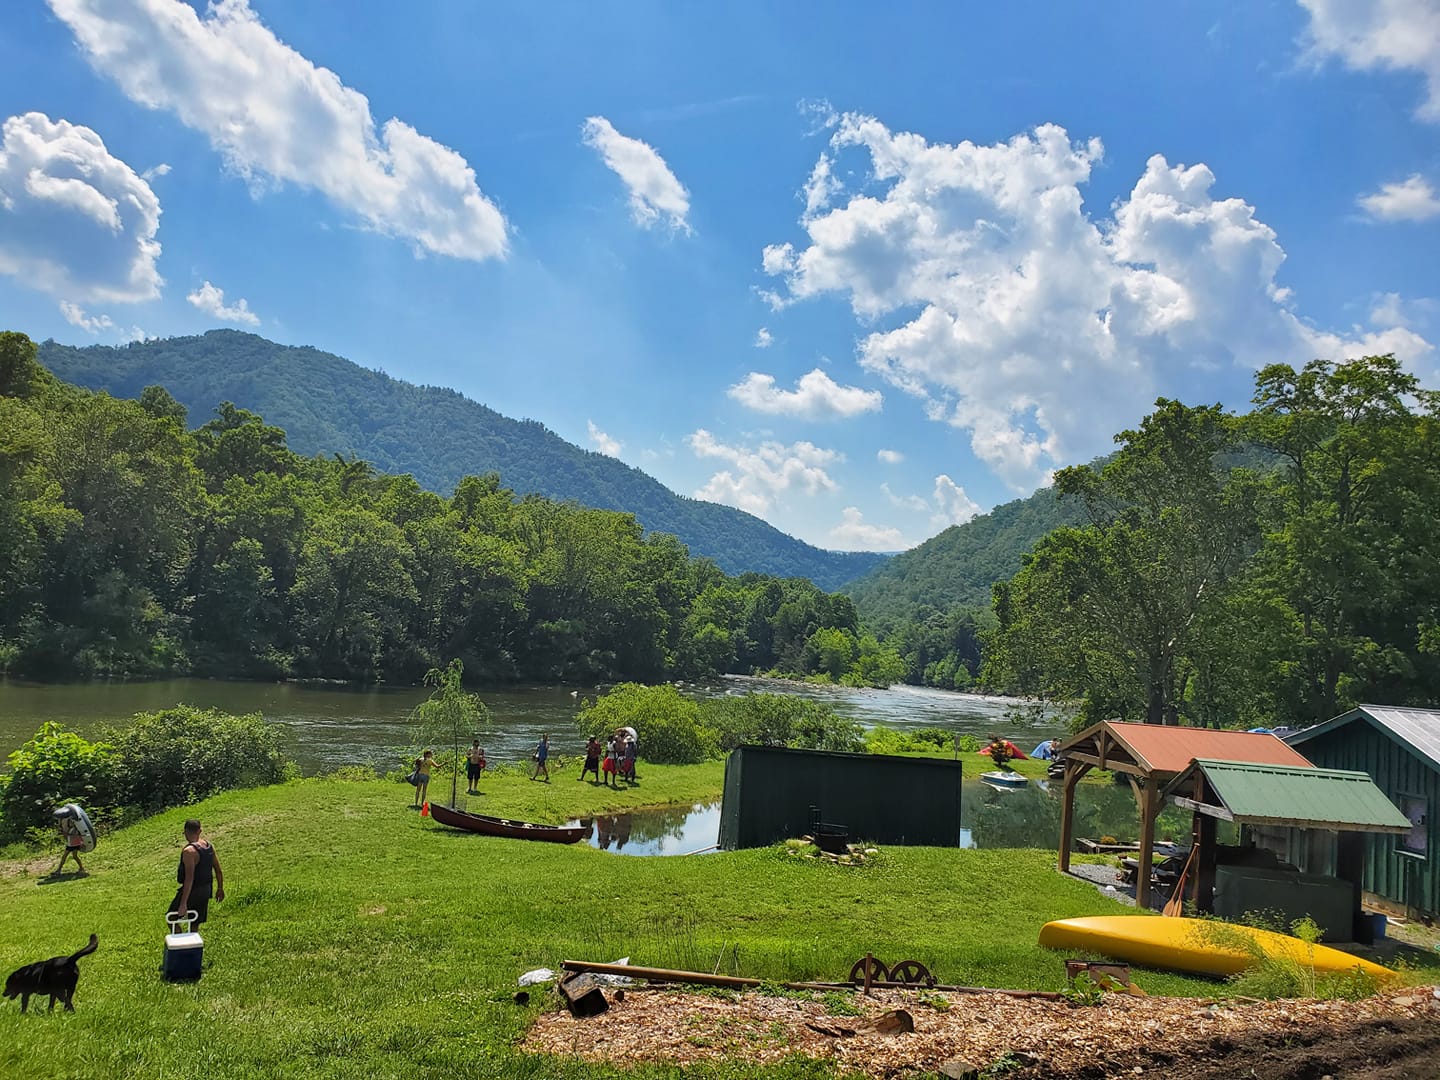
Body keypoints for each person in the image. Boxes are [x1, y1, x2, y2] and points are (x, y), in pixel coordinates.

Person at [169, 819, 224, 927]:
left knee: (171, 918)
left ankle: (179, 938)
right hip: (206, 890)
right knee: (195, 922)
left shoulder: (189, 852)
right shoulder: (208, 846)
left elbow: (189, 879)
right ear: (200, 831)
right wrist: (220, 888)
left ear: (185, 832)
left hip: (193, 891)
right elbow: (218, 870)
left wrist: (183, 903)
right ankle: (193, 938)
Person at [52, 811, 86, 877]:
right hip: (72, 843)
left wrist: (63, 832)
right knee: (74, 856)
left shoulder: (74, 829)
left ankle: (59, 870)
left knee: (66, 856)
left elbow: (72, 835)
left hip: (73, 843)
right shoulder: (71, 828)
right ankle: (81, 868)